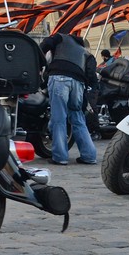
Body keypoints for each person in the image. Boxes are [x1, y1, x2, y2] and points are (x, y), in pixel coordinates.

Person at [40, 28, 98, 166]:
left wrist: (39, 63)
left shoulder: (61, 37)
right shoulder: (83, 50)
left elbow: (44, 44)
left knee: (59, 118)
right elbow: (91, 74)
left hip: (59, 78)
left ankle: (60, 157)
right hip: (78, 82)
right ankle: (89, 156)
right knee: (78, 118)